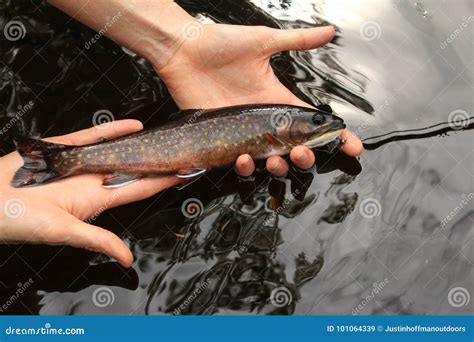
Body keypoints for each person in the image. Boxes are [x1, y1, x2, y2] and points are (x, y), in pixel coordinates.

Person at [0, 0, 363, 267]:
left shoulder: (277, 133)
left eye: (316, 123)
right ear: (280, 130)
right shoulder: (272, 134)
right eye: (316, 123)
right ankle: (55, 161)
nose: (323, 125)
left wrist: (177, 42)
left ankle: (54, 161)